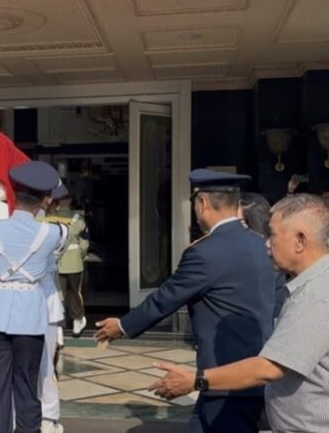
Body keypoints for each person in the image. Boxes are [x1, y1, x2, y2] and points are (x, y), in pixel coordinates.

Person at [149, 194, 329, 433]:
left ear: (300, 241)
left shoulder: (321, 294)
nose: (267, 243)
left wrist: (196, 380)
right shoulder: (315, 283)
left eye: (272, 234)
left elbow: (269, 368)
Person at [94, 168, 277, 433]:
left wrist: (122, 326)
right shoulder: (264, 245)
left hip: (224, 375)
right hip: (260, 369)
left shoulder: (204, 252)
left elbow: (165, 298)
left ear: (202, 203)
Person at [0, 161, 64, 433]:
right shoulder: (52, 232)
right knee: (26, 387)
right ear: (46, 199)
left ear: (12, 193)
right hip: (28, 316)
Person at [38, 185, 71, 433]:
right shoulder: (56, 227)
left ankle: (46, 417)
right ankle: (47, 418)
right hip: (44, 302)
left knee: (43, 366)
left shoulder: (58, 229)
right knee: (43, 366)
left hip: (43, 303)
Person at [51, 187, 89, 337]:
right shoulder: (79, 219)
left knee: (58, 295)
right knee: (75, 292)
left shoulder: (50, 218)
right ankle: (77, 320)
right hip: (75, 263)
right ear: (70, 200)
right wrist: (81, 256)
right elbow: (84, 244)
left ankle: (59, 327)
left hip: (56, 263)